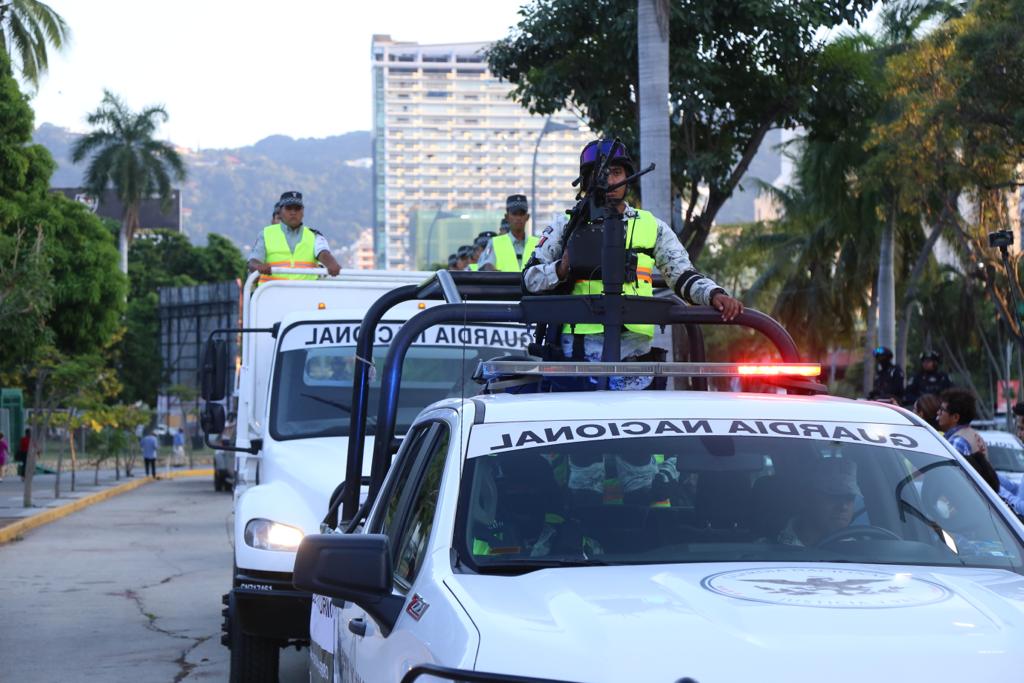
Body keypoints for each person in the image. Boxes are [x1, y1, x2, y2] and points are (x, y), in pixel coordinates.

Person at [523, 139, 743, 389]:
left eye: (616, 172)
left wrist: (714, 294)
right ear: (586, 180)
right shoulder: (565, 225)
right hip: (577, 359)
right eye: (600, 173)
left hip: (635, 361)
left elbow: (682, 275)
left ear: (628, 176)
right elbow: (529, 279)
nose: (609, 180)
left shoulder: (651, 225)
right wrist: (560, 270)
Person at [247, 191, 341, 282]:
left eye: (297, 208)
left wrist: (331, 263)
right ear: (280, 211)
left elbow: (323, 252)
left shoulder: (314, 235)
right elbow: (253, 261)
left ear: (303, 212)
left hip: (305, 295)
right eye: (288, 208)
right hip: (273, 294)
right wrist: (259, 266)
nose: (293, 212)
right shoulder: (265, 234)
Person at [777, 459, 860, 547]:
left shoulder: (859, 548)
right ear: (807, 499)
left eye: (849, 498)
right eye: (833, 496)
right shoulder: (769, 549)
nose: (843, 507)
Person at [937, 388, 999, 492]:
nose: (938, 412)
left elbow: (951, 481)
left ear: (955, 417)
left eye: (942, 409)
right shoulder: (974, 435)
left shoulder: (957, 441)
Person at [479, 195, 539, 272]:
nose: (518, 218)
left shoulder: (538, 244)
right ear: (507, 217)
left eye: (521, 214)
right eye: (514, 214)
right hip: (503, 284)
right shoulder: (495, 243)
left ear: (527, 217)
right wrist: (493, 272)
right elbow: (486, 265)